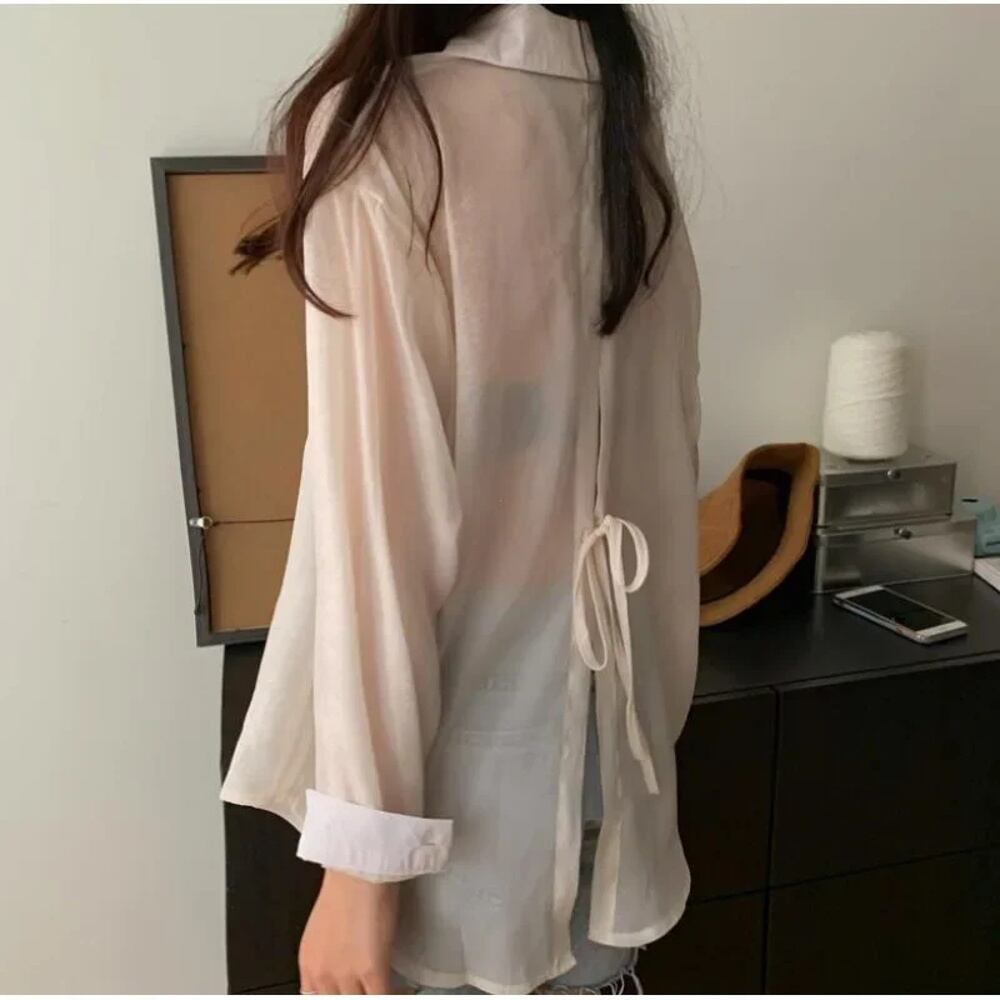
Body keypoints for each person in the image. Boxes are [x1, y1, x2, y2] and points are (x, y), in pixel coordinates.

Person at [221, 4, 701, 994]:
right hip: (611, 776)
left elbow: (379, 531)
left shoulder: (389, 129)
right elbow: (662, 457)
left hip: (450, 808)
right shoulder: (619, 119)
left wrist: (360, 868)